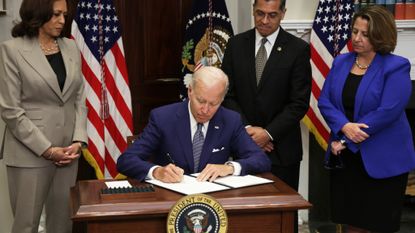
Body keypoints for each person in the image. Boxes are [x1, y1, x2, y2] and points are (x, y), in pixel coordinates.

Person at [318, 5, 415, 233]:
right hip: (347, 161)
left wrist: (346, 140)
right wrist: (344, 126)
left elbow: (388, 112)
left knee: (377, 225)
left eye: (365, 34)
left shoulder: (396, 66)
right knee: (351, 223)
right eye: (354, 31)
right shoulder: (341, 62)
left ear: (381, 35)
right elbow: (325, 102)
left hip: (382, 161)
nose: (357, 38)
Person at [0, 0, 88, 232]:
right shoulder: (12, 50)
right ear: (37, 14)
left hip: (68, 152)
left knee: (62, 224)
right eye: (56, 15)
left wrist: (78, 139)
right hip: (29, 152)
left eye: (64, 15)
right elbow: (11, 110)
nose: (62, 21)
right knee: (26, 225)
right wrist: (47, 149)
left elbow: (79, 98)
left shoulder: (70, 47)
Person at [117, 66, 271, 183]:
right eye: (201, 101)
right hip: (170, 200)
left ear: (222, 100)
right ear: (190, 91)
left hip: (215, 201)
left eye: (213, 103)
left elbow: (261, 160)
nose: (205, 110)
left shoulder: (230, 120)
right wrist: (157, 171)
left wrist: (229, 167)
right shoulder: (163, 118)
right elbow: (126, 160)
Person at [221, 0, 311, 192]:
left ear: (283, 13)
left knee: (284, 215)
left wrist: (267, 134)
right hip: (242, 147)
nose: (264, 20)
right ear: (253, 10)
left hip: (282, 151)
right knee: (245, 213)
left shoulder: (298, 49)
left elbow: (299, 103)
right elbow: (227, 95)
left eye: (272, 15)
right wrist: (247, 130)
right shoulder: (235, 44)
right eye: (260, 13)